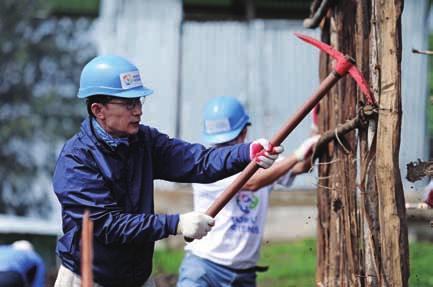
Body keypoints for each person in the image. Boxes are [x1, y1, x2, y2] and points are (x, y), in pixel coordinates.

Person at [52, 55, 283, 287]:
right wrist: (175, 224)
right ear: (98, 110)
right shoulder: (76, 160)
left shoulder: (144, 141)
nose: (138, 111)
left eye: (139, 100)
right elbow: (108, 225)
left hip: (137, 278)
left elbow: (199, 161)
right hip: (89, 279)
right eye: (129, 103)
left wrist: (247, 153)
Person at [177, 96, 319, 287]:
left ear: (243, 133)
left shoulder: (262, 160)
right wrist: (295, 156)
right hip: (205, 268)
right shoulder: (208, 167)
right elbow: (251, 183)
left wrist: (314, 131)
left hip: (244, 275)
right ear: (244, 130)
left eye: (227, 142)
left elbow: (301, 166)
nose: (222, 149)